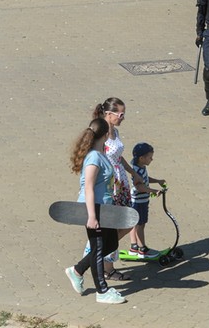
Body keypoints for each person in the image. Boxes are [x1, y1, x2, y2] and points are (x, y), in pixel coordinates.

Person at [64, 118, 126, 304]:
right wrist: (91, 216)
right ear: (106, 134)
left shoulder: (101, 154)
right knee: (98, 249)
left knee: (111, 244)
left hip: (104, 209)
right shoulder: (93, 157)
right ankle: (102, 291)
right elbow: (88, 188)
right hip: (93, 209)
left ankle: (76, 270)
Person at [86, 97, 141, 281]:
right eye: (120, 114)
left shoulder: (115, 132)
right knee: (114, 225)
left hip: (121, 183)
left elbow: (118, 156)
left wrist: (133, 172)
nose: (123, 117)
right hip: (110, 185)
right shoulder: (100, 135)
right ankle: (100, 263)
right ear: (108, 114)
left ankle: (104, 262)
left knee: (125, 222)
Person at [128, 142, 167, 259]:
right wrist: (153, 191)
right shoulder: (137, 171)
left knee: (134, 223)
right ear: (142, 158)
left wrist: (158, 181)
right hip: (138, 202)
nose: (152, 159)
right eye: (150, 157)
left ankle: (133, 247)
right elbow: (140, 187)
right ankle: (142, 249)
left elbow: (145, 180)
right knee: (140, 225)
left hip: (139, 201)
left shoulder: (139, 167)